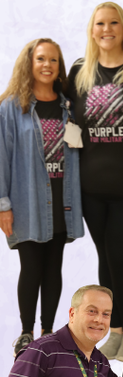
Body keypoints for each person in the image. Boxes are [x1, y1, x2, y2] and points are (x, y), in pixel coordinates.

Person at [69, 5, 123, 364]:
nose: (107, 29)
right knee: (106, 258)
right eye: (100, 23)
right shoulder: (79, 72)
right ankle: (116, 329)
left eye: (113, 22)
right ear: (92, 30)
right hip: (92, 190)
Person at [1, 38, 83, 354]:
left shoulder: (67, 106)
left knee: (53, 268)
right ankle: (26, 333)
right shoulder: (11, 107)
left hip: (62, 198)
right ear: (30, 63)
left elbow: (76, 151)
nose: (47, 65)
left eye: (53, 60)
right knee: (31, 266)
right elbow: (1, 157)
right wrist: (3, 205)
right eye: (40, 59)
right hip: (28, 200)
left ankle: (48, 332)